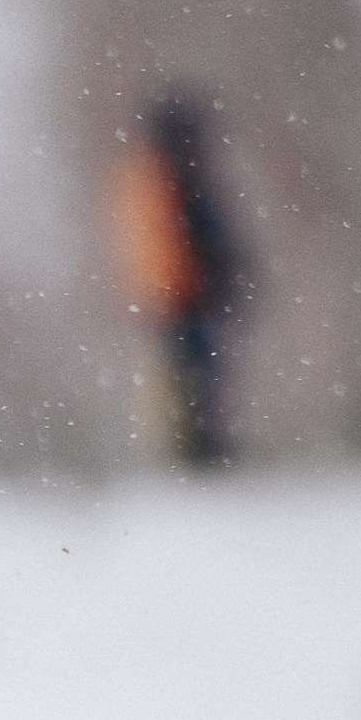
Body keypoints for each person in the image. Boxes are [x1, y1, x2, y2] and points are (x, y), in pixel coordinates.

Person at [111, 96, 244, 465]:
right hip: (181, 297)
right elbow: (193, 237)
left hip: (170, 297)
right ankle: (194, 452)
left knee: (183, 378)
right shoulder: (169, 179)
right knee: (192, 378)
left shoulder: (149, 178)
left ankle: (189, 450)